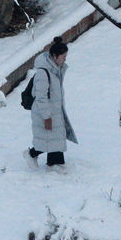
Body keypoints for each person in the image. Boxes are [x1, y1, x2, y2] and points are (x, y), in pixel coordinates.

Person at [24, 35, 77, 169]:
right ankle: (31, 154)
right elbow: (41, 97)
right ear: (54, 56)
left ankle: (55, 163)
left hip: (54, 110)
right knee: (47, 138)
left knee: (55, 137)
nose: (65, 59)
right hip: (44, 112)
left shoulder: (56, 70)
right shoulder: (43, 73)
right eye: (63, 57)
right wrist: (47, 116)